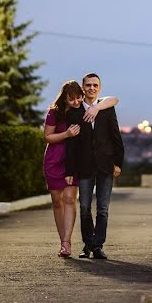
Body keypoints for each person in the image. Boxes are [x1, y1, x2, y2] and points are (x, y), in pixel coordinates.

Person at [43, 80, 118, 258]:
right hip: (55, 159)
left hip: (74, 161)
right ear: (64, 98)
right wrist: (67, 134)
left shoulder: (84, 110)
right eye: (72, 99)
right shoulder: (55, 113)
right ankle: (64, 240)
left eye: (79, 98)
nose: (76, 102)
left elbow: (113, 100)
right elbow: (47, 137)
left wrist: (96, 108)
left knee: (70, 199)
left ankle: (66, 243)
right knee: (56, 201)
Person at [64, 73, 124, 260]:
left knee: (103, 209)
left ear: (99, 87)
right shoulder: (74, 112)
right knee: (84, 207)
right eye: (88, 85)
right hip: (84, 167)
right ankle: (87, 244)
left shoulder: (106, 109)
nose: (91, 88)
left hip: (106, 165)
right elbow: (71, 145)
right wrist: (69, 170)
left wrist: (118, 163)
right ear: (83, 87)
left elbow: (116, 136)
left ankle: (98, 246)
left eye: (95, 85)